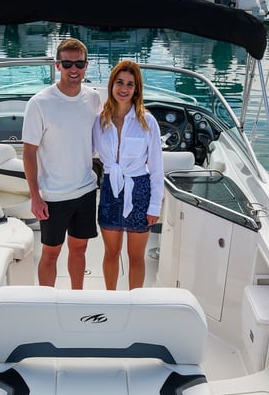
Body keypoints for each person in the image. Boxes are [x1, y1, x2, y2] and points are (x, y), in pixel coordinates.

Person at [22, 38, 102, 289]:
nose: (73, 69)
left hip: (86, 190)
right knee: (51, 252)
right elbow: (28, 152)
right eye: (67, 63)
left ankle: (76, 297)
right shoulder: (39, 103)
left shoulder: (93, 98)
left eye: (79, 63)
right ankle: (47, 300)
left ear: (86, 65)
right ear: (58, 65)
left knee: (79, 249)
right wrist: (35, 196)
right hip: (53, 195)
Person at [93, 60, 164, 290]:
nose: (124, 89)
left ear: (136, 90)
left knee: (136, 257)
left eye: (130, 84)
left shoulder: (148, 122)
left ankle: (135, 302)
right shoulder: (99, 121)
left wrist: (155, 206)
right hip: (109, 191)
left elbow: (156, 168)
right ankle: (110, 298)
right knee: (111, 253)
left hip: (139, 192)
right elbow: (85, 152)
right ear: (112, 84)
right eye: (119, 82)